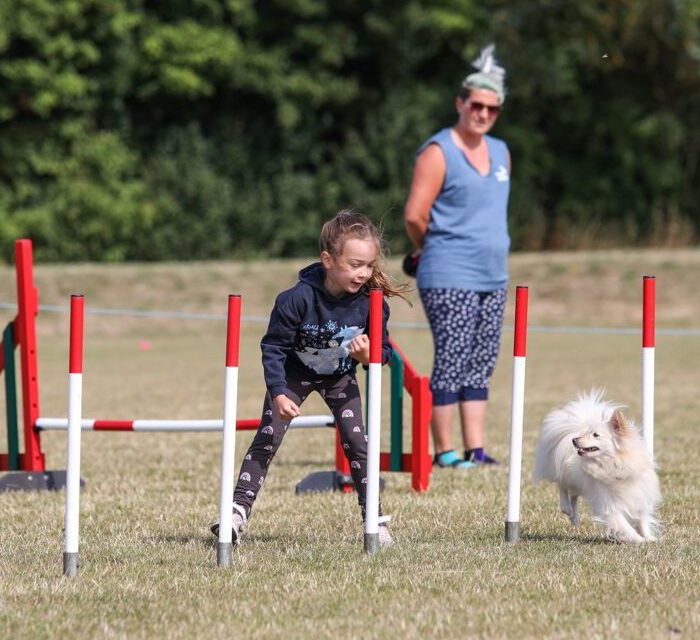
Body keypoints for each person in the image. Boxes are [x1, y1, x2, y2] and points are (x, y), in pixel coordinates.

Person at [211, 210, 408, 546]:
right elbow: (273, 347)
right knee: (268, 436)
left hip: (340, 377)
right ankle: (236, 513)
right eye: (355, 264)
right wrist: (278, 392)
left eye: (369, 265)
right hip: (294, 373)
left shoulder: (373, 304)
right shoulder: (296, 299)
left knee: (358, 442)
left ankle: (374, 519)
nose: (364, 273)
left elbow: (385, 353)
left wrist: (368, 356)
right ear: (327, 260)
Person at [402, 44, 511, 469]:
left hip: (492, 274)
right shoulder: (438, 150)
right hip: (448, 271)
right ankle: (445, 452)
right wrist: (430, 246)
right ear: (460, 104)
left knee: (482, 360)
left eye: (492, 108)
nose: (483, 114)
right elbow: (414, 214)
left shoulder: (502, 152)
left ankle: (476, 448)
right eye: (476, 105)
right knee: (452, 355)